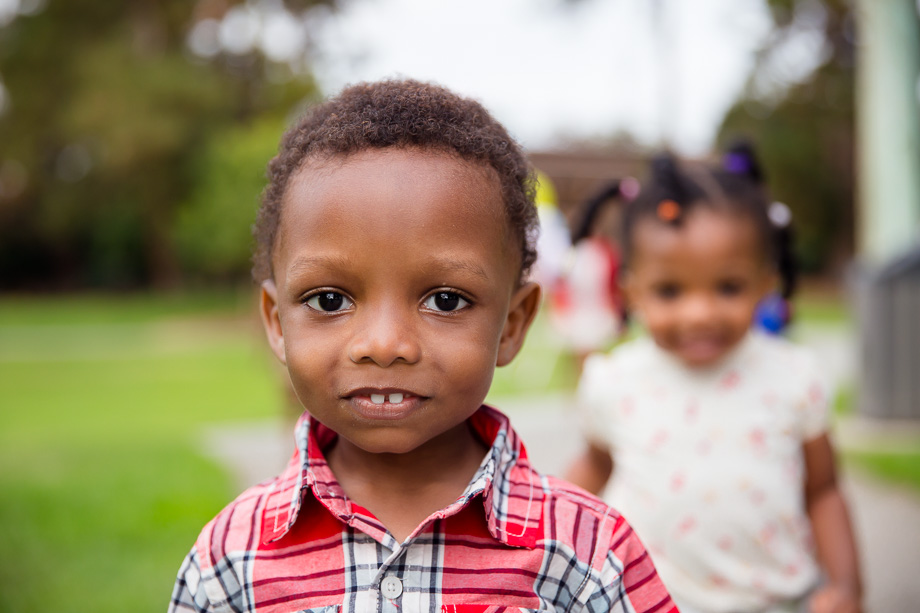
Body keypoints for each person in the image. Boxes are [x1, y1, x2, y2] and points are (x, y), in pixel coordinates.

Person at [168, 79, 677, 613]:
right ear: (277, 322)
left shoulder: (586, 553)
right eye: (329, 300)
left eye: (446, 301)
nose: (385, 345)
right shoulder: (230, 561)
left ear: (513, 323)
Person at [565, 146, 862, 613]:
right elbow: (593, 470)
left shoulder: (793, 377)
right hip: (645, 601)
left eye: (727, 287)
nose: (700, 313)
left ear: (766, 283)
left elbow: (824, 490)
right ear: (633, 291)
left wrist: (846, 587)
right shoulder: (615, 381)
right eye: (670, 291)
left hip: (777, 601)